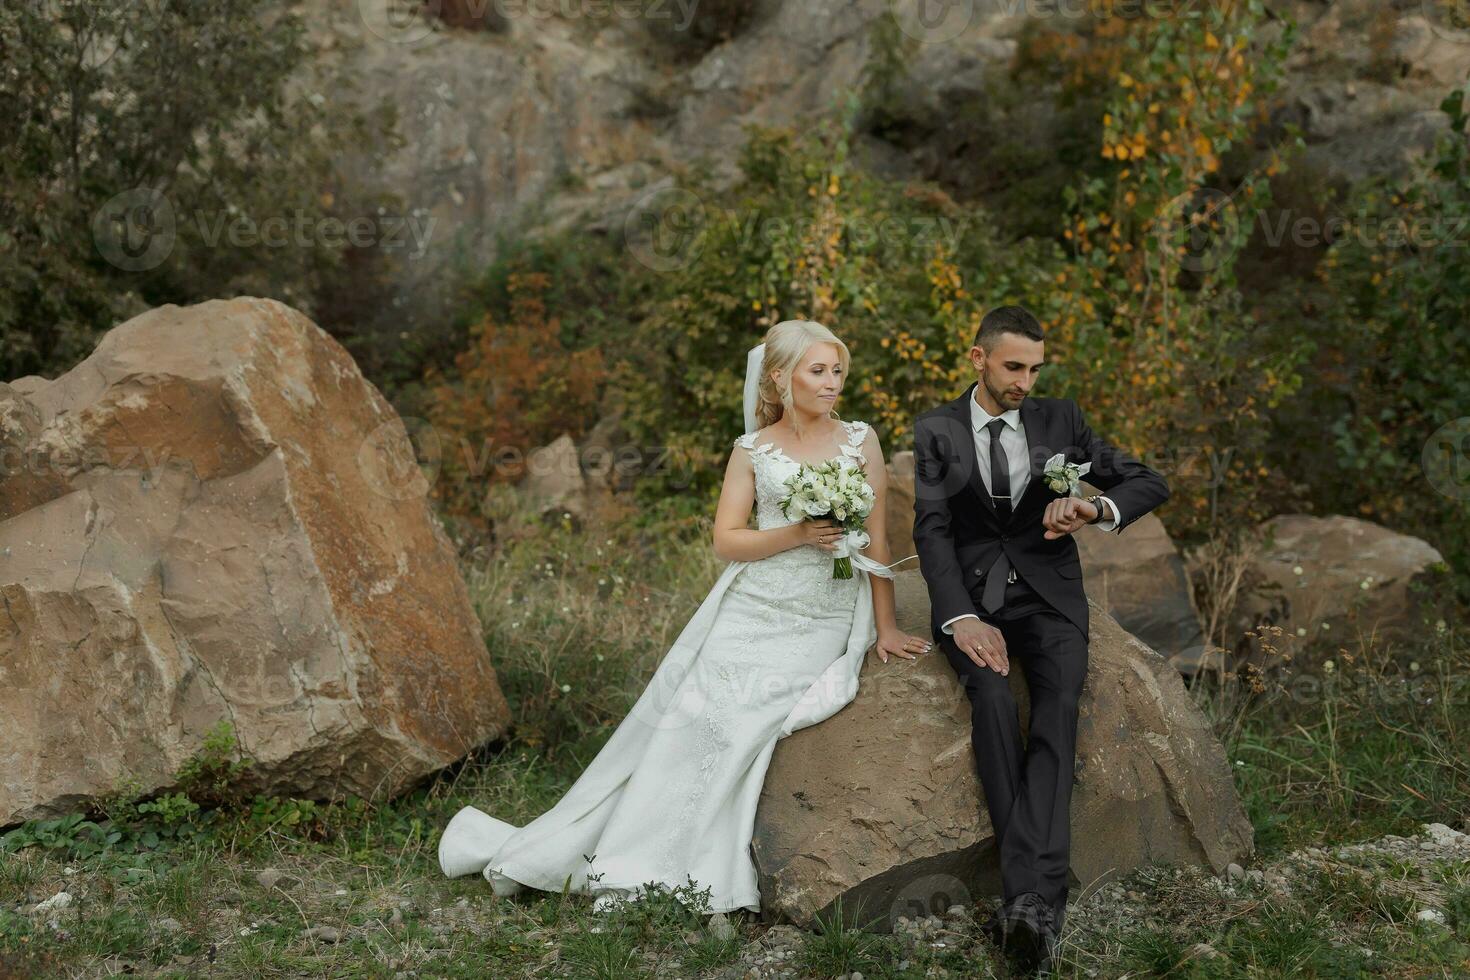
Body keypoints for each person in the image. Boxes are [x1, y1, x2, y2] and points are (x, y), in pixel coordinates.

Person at [439, 318, 930, 914]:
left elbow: (876, 538)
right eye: (818, 371)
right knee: (692, 713)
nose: (832, 384)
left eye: (837, 372)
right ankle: (628, 862)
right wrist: (798, 533)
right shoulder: (753, 450)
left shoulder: (861, 440)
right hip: (753, 602)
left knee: (743, 719)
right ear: (779, 377)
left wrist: (886, 627)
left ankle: (694, 867)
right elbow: (727, 540)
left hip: (820, 610)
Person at [911, 305, 1170, 972]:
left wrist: (1092, 506)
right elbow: (933, 532)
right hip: (974, 602)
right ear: (978, 358)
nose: (1026, 380)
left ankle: (1028, 907)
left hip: (1052, 600)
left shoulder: (1063, 420)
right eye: (1013, 366)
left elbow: (1146, 481)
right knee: (994, 706)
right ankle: (1036, 905)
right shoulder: (938, 429)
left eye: (1035, 367)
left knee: (1056, 717)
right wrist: (959, 619)